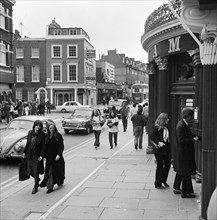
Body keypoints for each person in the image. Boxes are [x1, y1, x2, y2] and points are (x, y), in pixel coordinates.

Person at [173, 108, 201, 198]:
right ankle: (186, 193)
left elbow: (189, 133)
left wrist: (197, 136)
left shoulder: (183, 124)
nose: (192, 118)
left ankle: (176, 188)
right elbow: (181, 140)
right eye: (191, 116)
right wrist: (193, 139)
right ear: (187, 116)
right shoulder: (181, 126)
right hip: (183, 153)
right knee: (186, 172)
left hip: (182, 152)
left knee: (180, 171)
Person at [39, 123, 65, 193]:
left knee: (57, 171)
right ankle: (50, 187)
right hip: (49, 158)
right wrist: (42, 155)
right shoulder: (46, 136)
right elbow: (44, 147)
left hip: (56, 157)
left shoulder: (58, 135)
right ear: (48, 129)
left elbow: (61, 146)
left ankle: (60, 180)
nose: (51, 129)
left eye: (53, 128)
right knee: (49, 172)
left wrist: (59, 154)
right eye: (50, 128)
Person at [23, 120, 45, 194]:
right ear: (34, 125)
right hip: (30, 154)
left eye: (39, 125)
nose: (38, 127)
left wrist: (42, 155)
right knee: (29, 170)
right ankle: (37, 179)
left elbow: (43, 146)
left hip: (37, 155)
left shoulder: (42, 134)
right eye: (37, 125)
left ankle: (35, 187)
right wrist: (24, 152)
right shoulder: (30, 132)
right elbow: (28, 143)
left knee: (36, 171)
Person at [150, 113, 171, 189]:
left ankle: (163, 180)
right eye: (166, 119)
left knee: (168, 164)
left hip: (165, 149)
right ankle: (158, 183)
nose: (168, 120)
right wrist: (159, 142)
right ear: (163, 120)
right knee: (160, 166)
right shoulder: (157, 128)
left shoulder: (166, 127)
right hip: (159, 150)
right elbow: (152, 137)